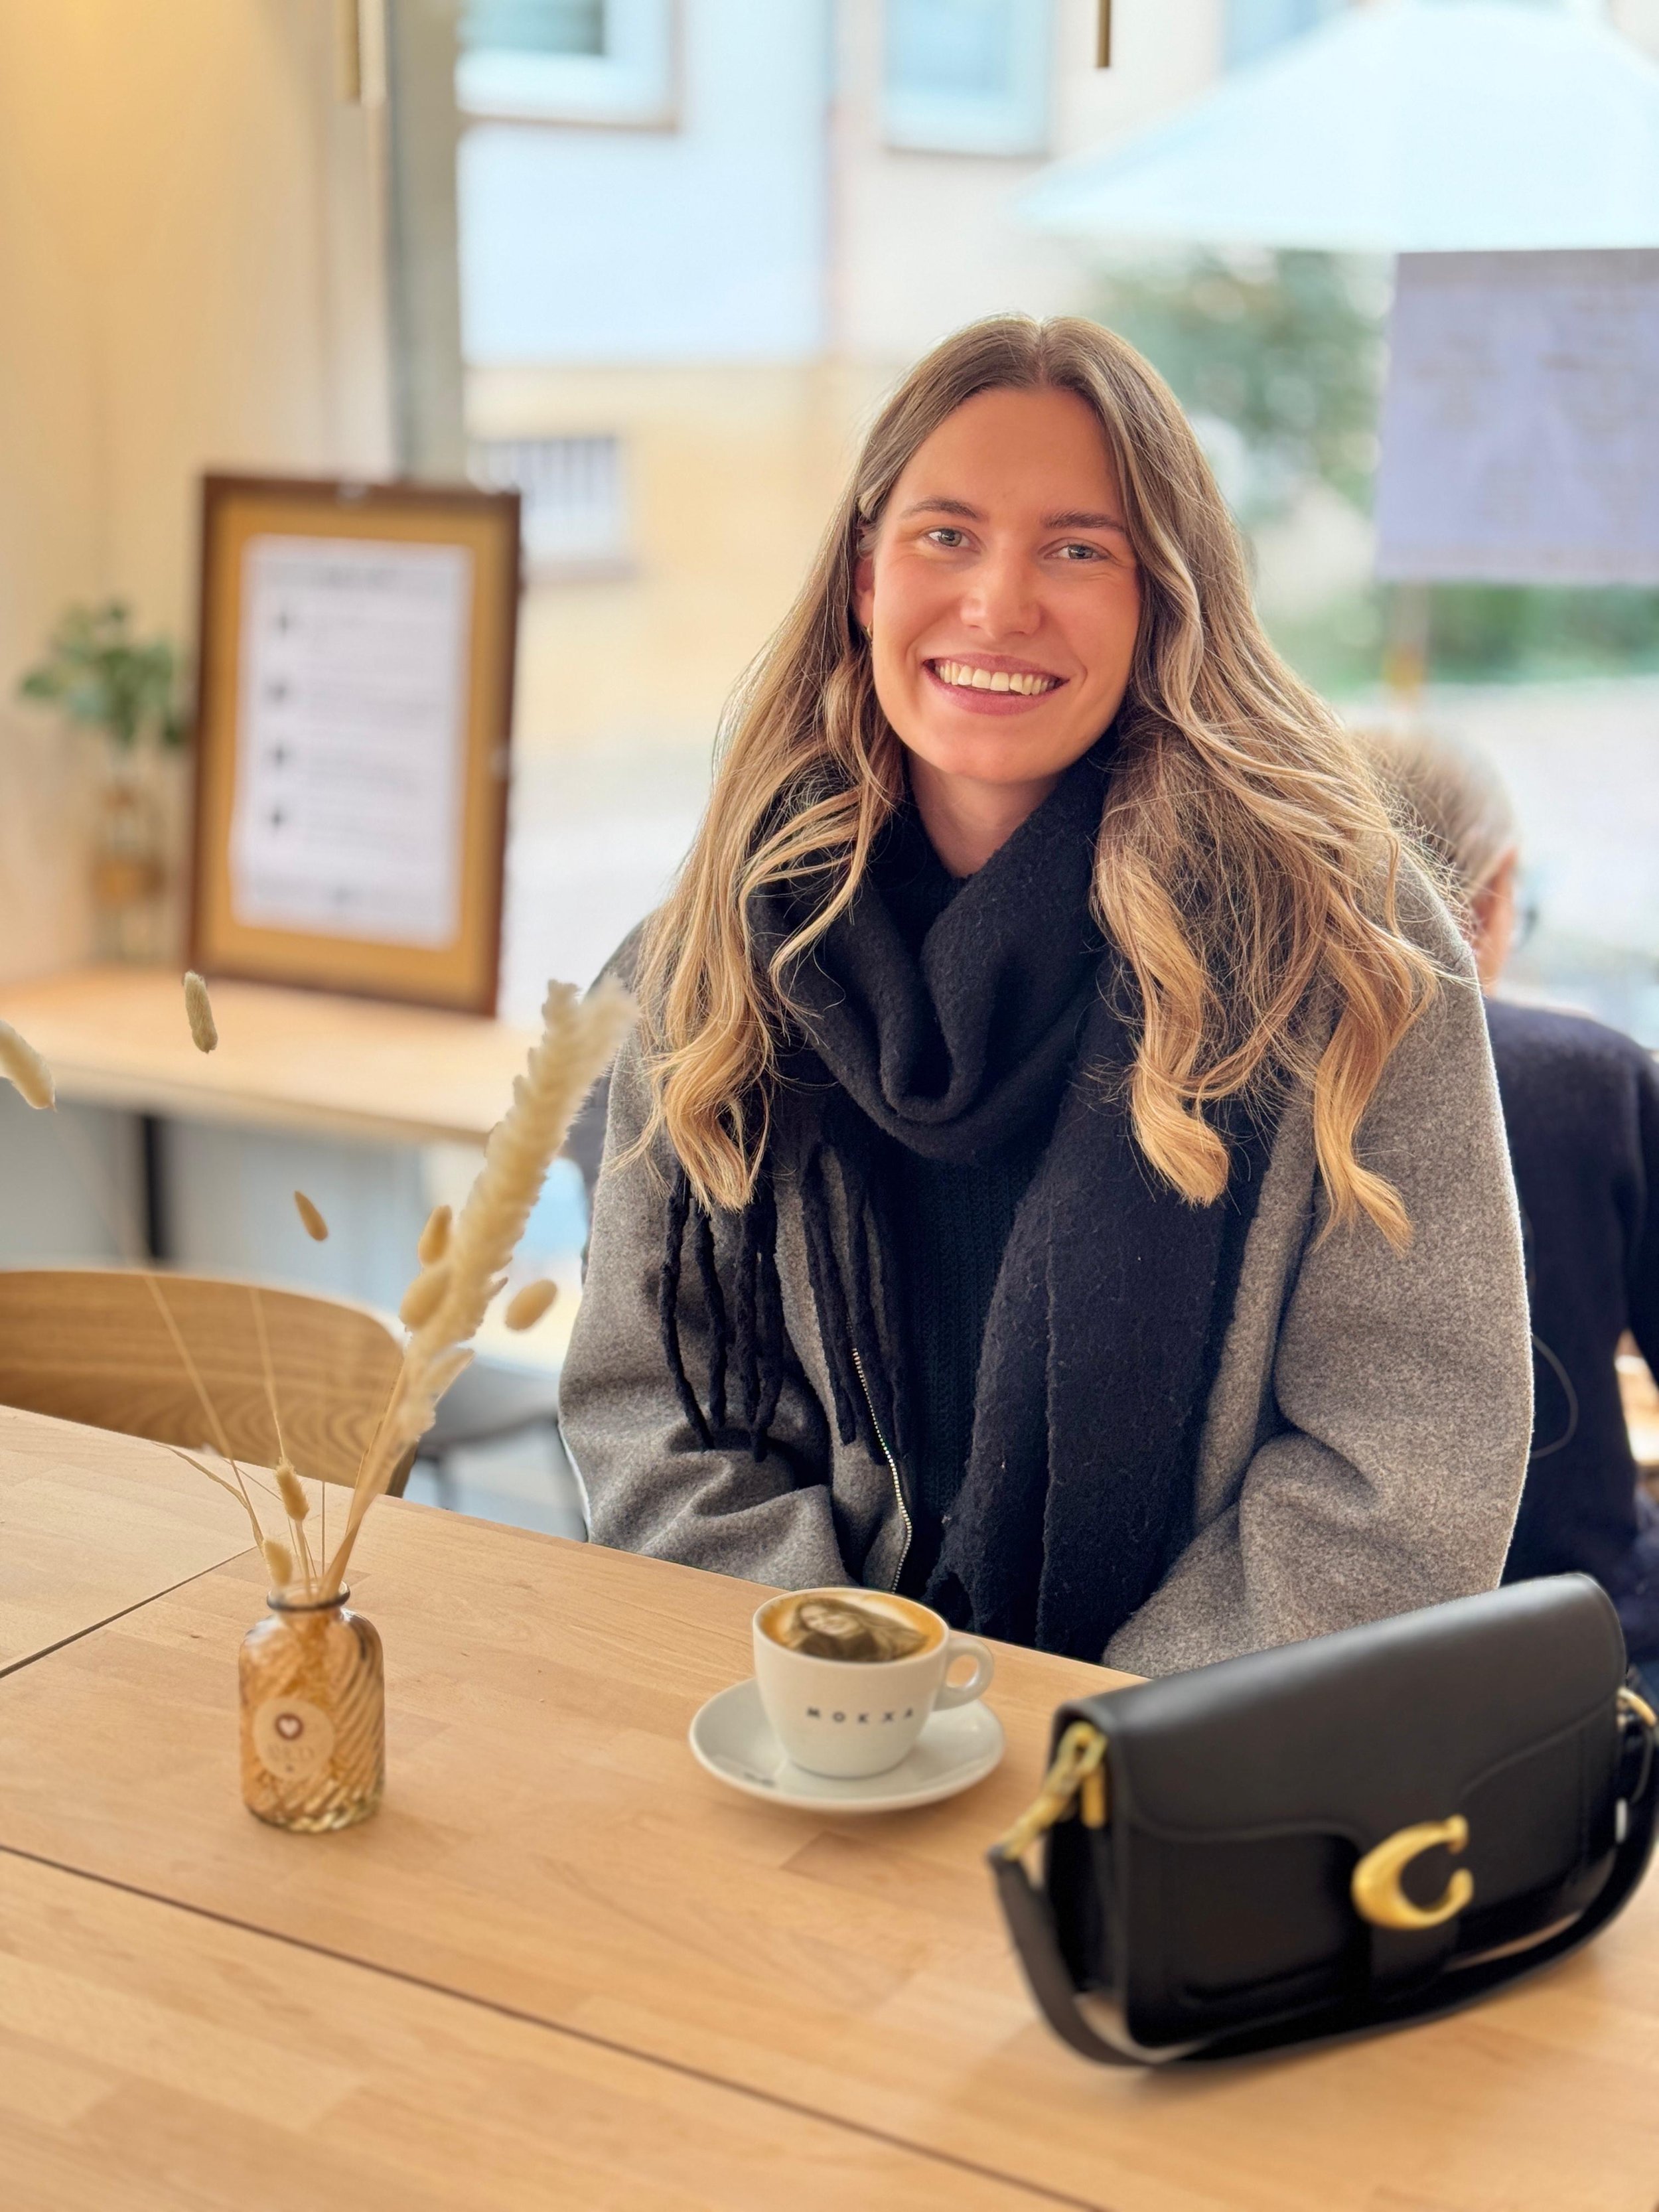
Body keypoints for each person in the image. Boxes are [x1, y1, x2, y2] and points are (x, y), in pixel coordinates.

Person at [560, 315, 1532, 1674]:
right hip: (807, 1732)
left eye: (1078, 548)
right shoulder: (724, 936)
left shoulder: (1341, 938)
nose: (997, 604)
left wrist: (1089, 1739)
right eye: (943, 534)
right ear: (861, 572)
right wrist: (850, 1691)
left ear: (1164, 593)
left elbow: (1405, 1464)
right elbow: (646, 1402)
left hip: (1185, 1777)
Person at [1371, 726, 1659, 1673]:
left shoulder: (1223, 1084)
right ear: (1493, 898)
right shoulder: (1596, 1079)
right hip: (1579, 1643)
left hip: (1322, 1661)